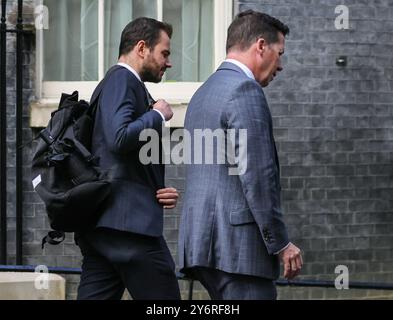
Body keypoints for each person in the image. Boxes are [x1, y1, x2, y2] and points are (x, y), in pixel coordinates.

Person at [178, 10, 303, 300]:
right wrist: (281, 243)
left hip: (203, 245)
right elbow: (258, 175)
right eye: (279, 52)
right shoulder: (244, 90)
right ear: (261, 46)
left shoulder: (202, 93)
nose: (280, 65)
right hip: (238, 250)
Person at [76, 17, 181, 300]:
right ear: (142, 48)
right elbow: (119, 137)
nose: (168, 62)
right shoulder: (122, 79)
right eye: (165, 53)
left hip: (106, 228)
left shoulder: (119, 84)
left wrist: (157, 191)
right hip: (130, 231)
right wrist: (158, 113)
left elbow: (116, 157)